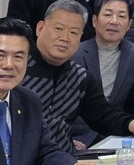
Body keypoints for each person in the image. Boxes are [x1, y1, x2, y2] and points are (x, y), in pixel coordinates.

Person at [20, 0, 134, 154]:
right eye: (58, 29)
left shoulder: (80, 77)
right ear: (40, 28)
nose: (65, 38)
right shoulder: (16, 69)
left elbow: (102, 115)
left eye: (74, 32)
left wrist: (132, 124)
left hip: (65, 158)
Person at [71, 0, 134, 145]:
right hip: (79, 137)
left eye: (121, 16)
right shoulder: (74, 52)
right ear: (94, 21)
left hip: (116, 133)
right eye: (108, 14)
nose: (114, 21)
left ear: (129, 25)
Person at [0, 16, 81, 165]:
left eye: (18, 57)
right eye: (1, 55)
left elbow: (44, 150)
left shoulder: (28, 100)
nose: (9, 65)